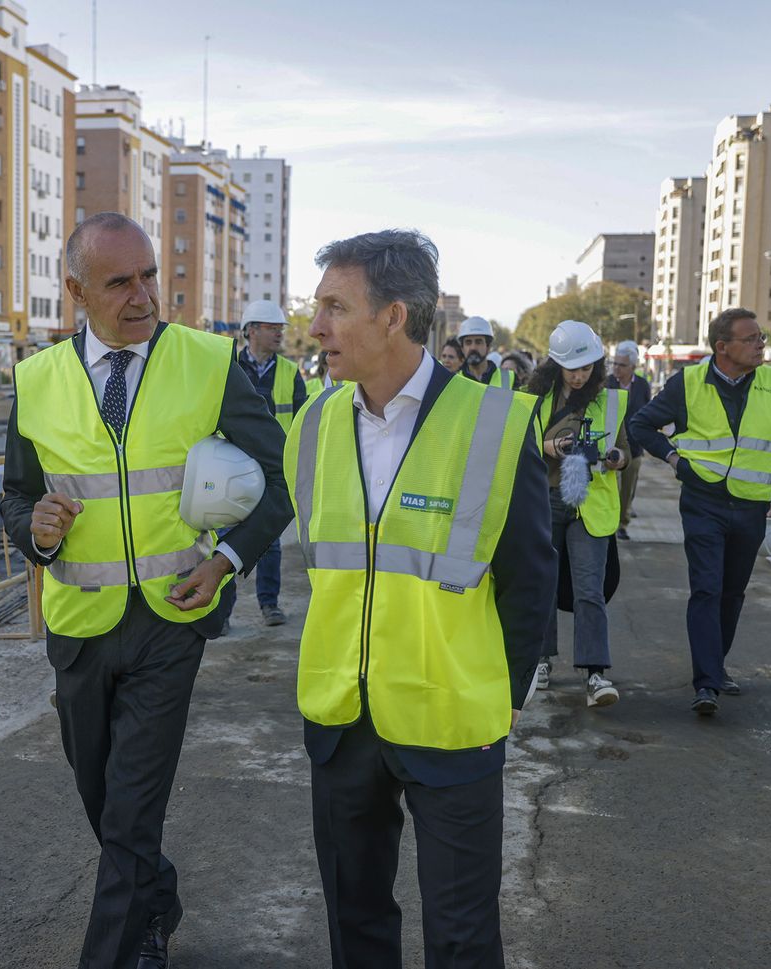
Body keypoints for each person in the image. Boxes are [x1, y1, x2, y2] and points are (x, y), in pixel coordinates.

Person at [1, 213, 292, 968]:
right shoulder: (36, 380)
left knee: (131, 808)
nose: (143, 296)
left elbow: (280, 478)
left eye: (149, 275)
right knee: (102, 799)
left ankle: (118, 951)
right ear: (75, 292)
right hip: (79, 625)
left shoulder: (207, 361)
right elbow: (17, 498)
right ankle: (156, 899)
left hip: (172, 618)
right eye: (120, 282)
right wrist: (36, 529)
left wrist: (226, 560)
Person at [289, 229, 554, 969]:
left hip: (451, 715)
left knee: (463, 935)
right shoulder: (312, 424)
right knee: (354, 921)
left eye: (335, 307)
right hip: (342, 717)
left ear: (393, 316)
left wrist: (506, 694)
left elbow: (531, 578)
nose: (317, 327)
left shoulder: (494, 423)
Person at [628, 308, 771, 716]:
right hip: (704, 503)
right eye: (751, 339)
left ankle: (715, 666)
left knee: (732, 593)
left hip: (751, 506)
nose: (761, 345)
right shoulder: (688, 382)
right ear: (722, 347)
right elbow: (640, 425)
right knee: (707, 589)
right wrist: (675, 460)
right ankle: (707, 682)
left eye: (762, 338)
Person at [527, 320, 629, 707]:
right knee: (544, 585)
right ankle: (540, 661)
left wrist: (617, 458)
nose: (579, 375)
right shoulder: (536, 400)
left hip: (591, 504)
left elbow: (625, 449)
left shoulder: (609, 401)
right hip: (546, 499)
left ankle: (595, 673)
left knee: (590, 590)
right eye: (572, 368)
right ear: (556, 365)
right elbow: (516, 442)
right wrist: (548, 447)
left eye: (586, 368)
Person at [235, 299, 309, 626]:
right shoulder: (228, 366)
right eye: (272, 327)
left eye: (281, 328)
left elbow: (302, 419)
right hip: (233, 464)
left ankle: (269, 604)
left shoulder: (291, 373)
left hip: (275, 466)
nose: (279, 333)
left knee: (270, 539)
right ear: (251, 330)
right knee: (227, 536)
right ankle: (222, 614)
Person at [605, 340, 652, 541]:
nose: (616, 368)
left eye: (621, 365)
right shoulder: (606, 383)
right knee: (611, 488)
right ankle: (608, 523)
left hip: (634, 446)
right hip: (610, 445)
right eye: (614, 363)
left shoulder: (642, 385)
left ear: (633, 366)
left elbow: (649, 412)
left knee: (627, 488)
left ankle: (622, 524)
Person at [458, 315, 514, 389]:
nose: (473, 347)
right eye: (468, 343)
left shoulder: (509, 379)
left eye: (478, 342)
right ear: (462, 348)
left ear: (488, 347)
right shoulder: (454, 381)